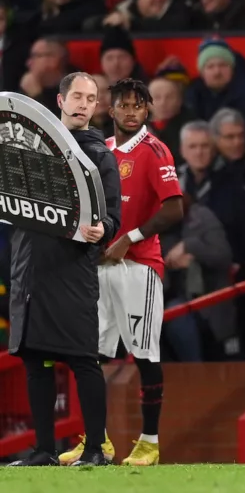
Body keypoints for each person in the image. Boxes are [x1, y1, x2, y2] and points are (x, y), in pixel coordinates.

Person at [59, 79, 184, 466]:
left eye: (138, 105)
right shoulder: (103, 149)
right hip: (99, 266)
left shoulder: (154, 149)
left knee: (144, 354)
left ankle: (149, 442)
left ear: (148, 110)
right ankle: (97, 440)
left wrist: (128, 239)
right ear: (109, 111)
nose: (130, 112)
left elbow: (174, 209)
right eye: (123, 106)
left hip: (138, 266)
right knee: (89, 354)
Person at [7, 72, 122, 466]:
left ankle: (95, 450)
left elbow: (113, 218)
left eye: (91, 99)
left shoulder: (101, 155)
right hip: (29, 265)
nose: (84, 104)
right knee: (35, 361)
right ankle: (43, 451)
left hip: (73, 271)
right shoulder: (28, 147)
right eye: (77, 96)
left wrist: (101, 229)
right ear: (60, 100)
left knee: (82, 359)